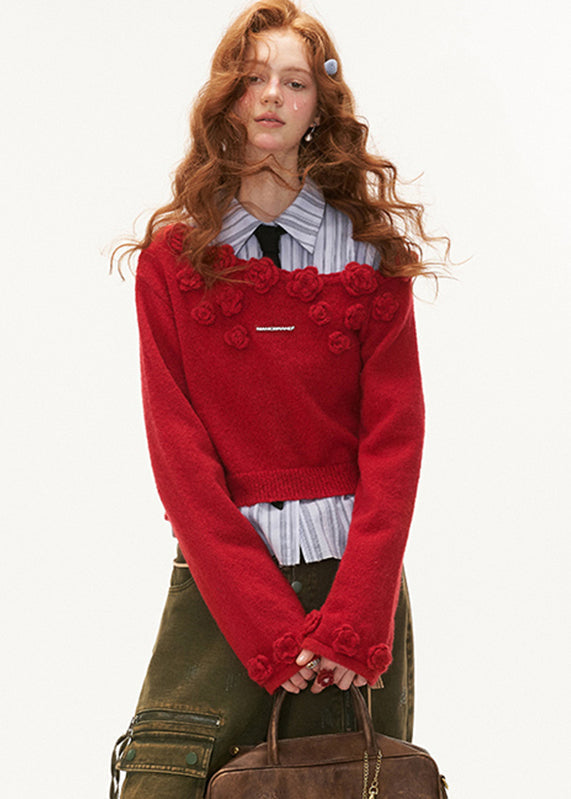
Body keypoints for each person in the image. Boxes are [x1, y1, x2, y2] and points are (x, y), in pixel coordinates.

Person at [109, 2, 447, 797]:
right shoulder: (172, 260)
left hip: (351, 590)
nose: (271, 96)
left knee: (346, 782)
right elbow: (178, 454)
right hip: (223, 587)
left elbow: (394, 441)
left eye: (294, 82)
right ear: (225, 97)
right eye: (253, 77)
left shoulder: (369, 255)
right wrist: (262, 621)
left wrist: (355, 616)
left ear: (318, 107)